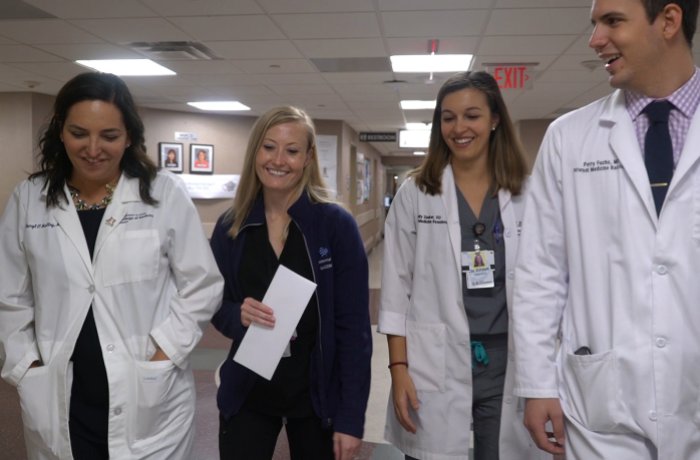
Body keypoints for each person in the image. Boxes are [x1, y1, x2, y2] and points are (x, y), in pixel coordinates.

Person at [0, 72, 224, 459]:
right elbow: (10, 295)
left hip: (147, 391)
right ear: (60, 131)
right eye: (78, 132)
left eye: (109, 136)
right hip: (59, 390)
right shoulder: (29, 199)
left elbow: (201, 285)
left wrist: (164, 353)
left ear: (129, 137)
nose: (92, 148)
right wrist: (26, 363)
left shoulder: (162, 193)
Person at [512, 1, 700, 458]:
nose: (595, 40)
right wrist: (537, 384)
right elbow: (540, 272)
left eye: (612, 22)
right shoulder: (569, 136)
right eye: (595, 24)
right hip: (602, 404)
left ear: (669, 21)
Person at [378, 71, 549, 460]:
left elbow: (548, 279)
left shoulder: (528, 191)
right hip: (432, 358)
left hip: (510, 357)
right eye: (448, 117)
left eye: (472, 115)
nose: (459, 127)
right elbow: (394, 290)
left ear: (494, 119)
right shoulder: (417, 192)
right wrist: (399, 368)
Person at [209, 106, 371, 460]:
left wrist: (350, 418)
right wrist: (237, 315)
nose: (278, 160)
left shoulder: (334, 225)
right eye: (269, 147)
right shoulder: (231, 227)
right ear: (256, 152)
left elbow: (354, 329)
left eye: (292, 150)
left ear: (308, 157)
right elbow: (212, 304)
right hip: (249, 390)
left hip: (316, 397)